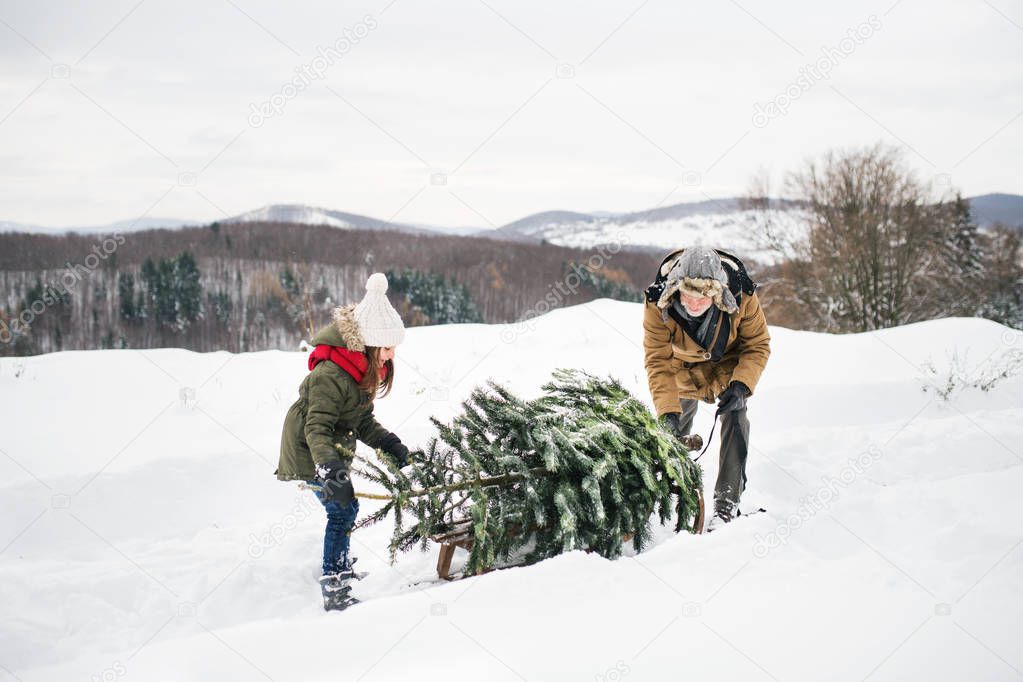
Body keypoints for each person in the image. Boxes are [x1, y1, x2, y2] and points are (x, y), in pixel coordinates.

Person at [275, 272, 410, 610]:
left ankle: (340, 567)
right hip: (311, 453)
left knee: (346, 510)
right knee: (343, 511)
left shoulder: (359, 369)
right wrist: (331, 469)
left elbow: (360, 420)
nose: (392, 355)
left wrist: (389, 443)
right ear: (371, 342)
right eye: (389, 348)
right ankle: (335, 583)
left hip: (327, 455)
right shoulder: (331, 375)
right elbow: (316, 428)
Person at [642, 246, 770, 526]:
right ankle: (660, 499)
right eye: (689, 294)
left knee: (736, 416)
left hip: (727, 365)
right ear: (676, 288)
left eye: (705, 296)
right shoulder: (657, 303)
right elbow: (658, 362)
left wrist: (741, 385)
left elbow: (757, 345)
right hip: (680, 368)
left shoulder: (742, 296)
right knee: (670, 432)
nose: (696, 303)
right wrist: (667, 413)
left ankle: (726, 504)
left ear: (718, 292)